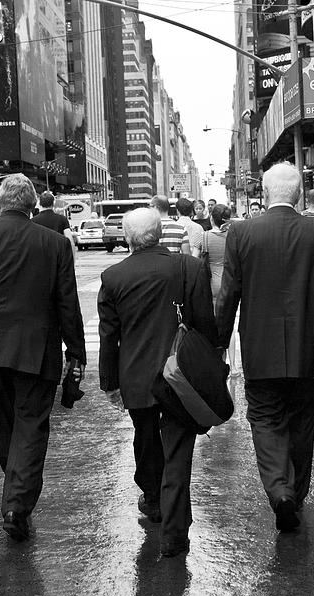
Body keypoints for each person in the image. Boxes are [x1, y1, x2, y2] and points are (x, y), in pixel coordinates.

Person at [216, 162, 314, 532]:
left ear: (264, 193)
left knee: (264, 419)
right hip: (307, 347)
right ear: (297, 196)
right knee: (303, 420)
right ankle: (296, 490)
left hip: (259, 348)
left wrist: (219, 345)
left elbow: (229, 294)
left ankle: (279, 490)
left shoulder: (241, 232)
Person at [0, 174, 86, 542]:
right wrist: (76, 351)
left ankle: (15, 489)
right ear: (30, 205)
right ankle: (16, 502)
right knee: (31, 424)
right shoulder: (54, 243)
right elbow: (67, 301)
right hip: (35, 345)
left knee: (1, 420)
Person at [98, 207, 218, 558]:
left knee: (146, 439)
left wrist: (110, 382)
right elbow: (205, 325)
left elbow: (109, 337)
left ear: (127, 237)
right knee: (178, 452)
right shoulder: (190, 268)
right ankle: (175, 530)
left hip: (137, 376)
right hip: (182, 375)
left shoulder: (113, 277)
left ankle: (153, 499)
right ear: (160, 233)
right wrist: (214, 366)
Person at [203, 203, 239, 376]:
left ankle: (218, 363)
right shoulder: (234, 235)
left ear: (212, 218)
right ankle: (234, 366)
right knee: (229, 322)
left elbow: (197, 260)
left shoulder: (205, 237)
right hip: (230, 282)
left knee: (215, 324)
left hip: (212, 284)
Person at [32, 191, 76, 256]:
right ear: (54, 203)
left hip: (40, 259)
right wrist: (72, 260)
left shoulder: (33, 221)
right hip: (58, 257)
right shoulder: (62, 219)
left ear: (40, 203)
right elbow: (70, 242)